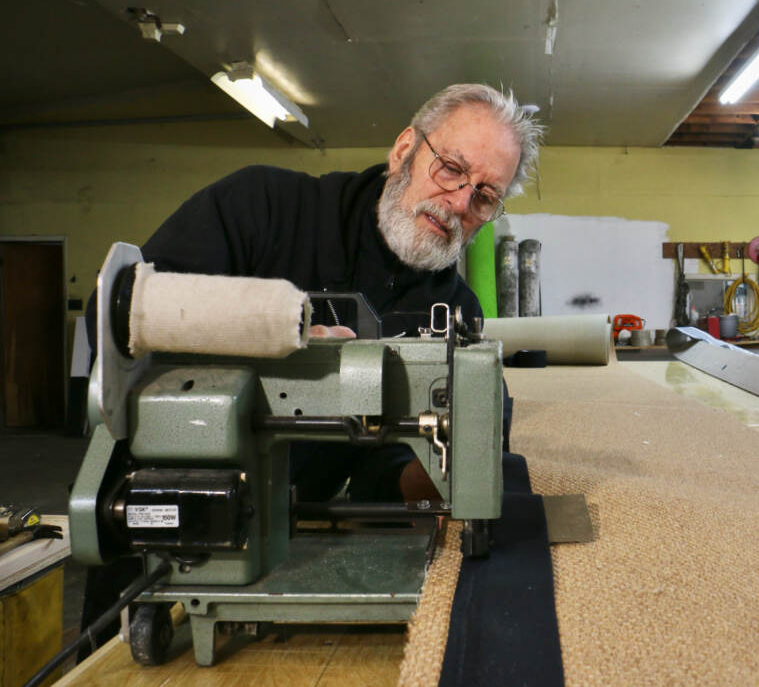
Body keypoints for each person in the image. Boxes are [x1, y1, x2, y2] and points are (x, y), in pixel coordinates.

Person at [78, 84, 544, 660]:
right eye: (451, 170)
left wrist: (434, 481)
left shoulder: (453, 316)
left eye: (485, 197)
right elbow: (125, 316)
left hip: (297, 550)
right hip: (157, 529)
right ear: (405, 150)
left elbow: (390, 465)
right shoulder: (260, 208)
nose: (458, 204)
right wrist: (266, 346)